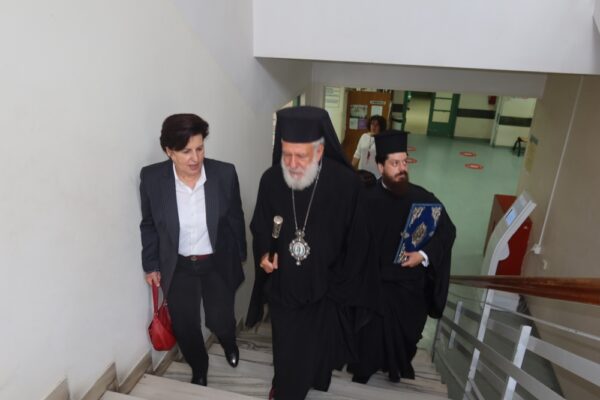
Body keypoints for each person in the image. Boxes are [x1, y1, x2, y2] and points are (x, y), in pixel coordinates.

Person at [246, 106, 377, 400]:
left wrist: (341, 282)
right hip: (285, 285)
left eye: (300, 156)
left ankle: (315, 377)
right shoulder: (271, 180)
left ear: (319, 151)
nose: (291, 164)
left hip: (327, 288)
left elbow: (359, 241)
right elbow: (261, 226)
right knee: (286, 346)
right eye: (286, 154)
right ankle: (285, 389)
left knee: (318, 347)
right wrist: (265, 254)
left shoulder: (346, 184)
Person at [139, 114, 246, 386]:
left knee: (220, 319)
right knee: (185, 325)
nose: (195, 158)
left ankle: (229, 341)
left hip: (216, 262)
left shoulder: (224, 174)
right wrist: (151, 264)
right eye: (186, 151)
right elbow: (149, 224)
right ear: (169, 151)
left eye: (200, 148)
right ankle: (199, 367)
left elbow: (235, 217)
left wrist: (240, 255)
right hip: (179, 265)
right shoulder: (152, 179)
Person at [349, 130, 456, 384]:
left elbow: (448, 231)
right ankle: (365, 370)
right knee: (368, 339)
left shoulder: (422, 198)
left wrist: (423, 254)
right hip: (374, 285)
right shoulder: (364, 200)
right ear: (380, 166)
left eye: (405, 162)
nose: (402, 169)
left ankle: (395, 367)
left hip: (408, 288)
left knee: (404, 338)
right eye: (395, 163)